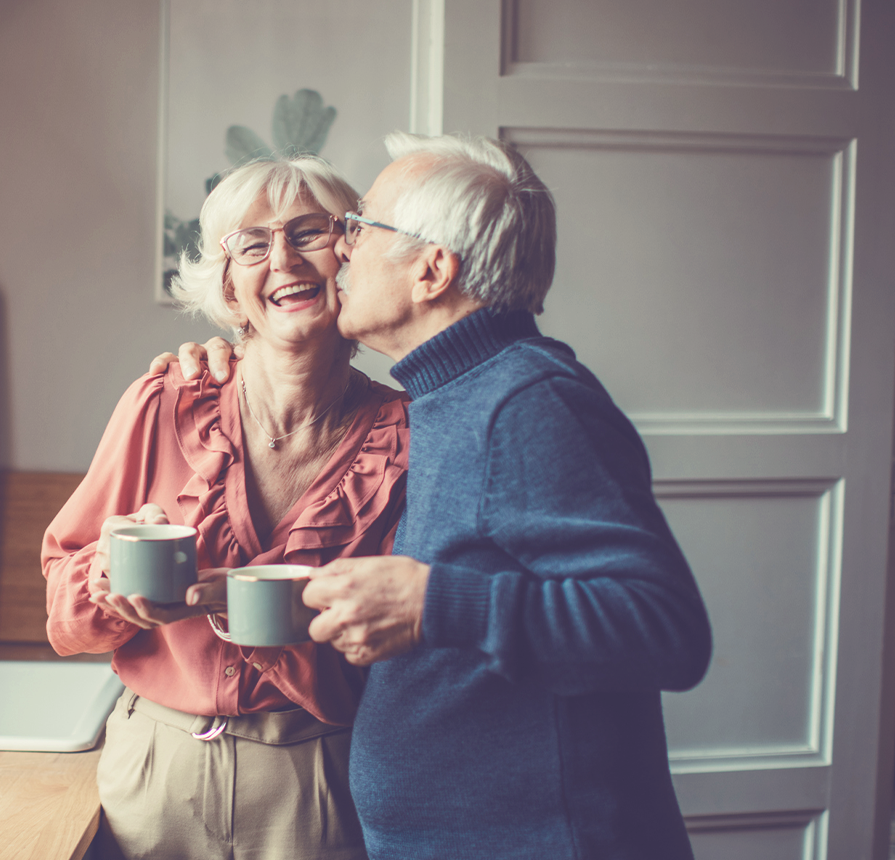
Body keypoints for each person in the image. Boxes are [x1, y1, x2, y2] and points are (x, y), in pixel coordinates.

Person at [159, 133, 713, 859]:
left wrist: (433, 605)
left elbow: (667, 633)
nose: (342, 250)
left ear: (431, 270)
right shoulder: (450, 394)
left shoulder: (528, 402)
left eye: (360, 228)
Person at [43, 154, 411, 860]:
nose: (282, 258)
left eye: (308, 232)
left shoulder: (409, 437)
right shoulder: (163, 400)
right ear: (230, 287)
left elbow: (399, 659)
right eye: (251, 244)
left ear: (351, 255)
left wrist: (232, 601)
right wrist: (104, 575)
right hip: (155, 766)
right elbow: (64, 618)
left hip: (317, 775)